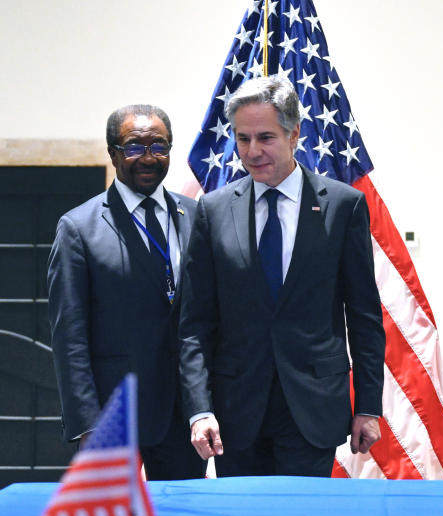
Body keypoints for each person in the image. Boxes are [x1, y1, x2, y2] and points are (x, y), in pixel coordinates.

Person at [178, 75, 385, 477]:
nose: (252, 151)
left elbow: (363, 317)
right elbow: (195, 324)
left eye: (265, 137)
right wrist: (199, 409)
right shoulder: (213, 211)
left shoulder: (344, 207)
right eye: (242, 139)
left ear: (294, 136)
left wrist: (368, 408)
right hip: (236, 412)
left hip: (313, 407)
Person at [48, 104, 204, 480]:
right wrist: (87, 423)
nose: (148, 158)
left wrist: (206, 405)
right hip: (113, 416)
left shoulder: (196, 215)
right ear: (113, 153)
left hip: (185, 414)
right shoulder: (79, 228)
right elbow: (69, 336)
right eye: (134, 147)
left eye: (159, 146)